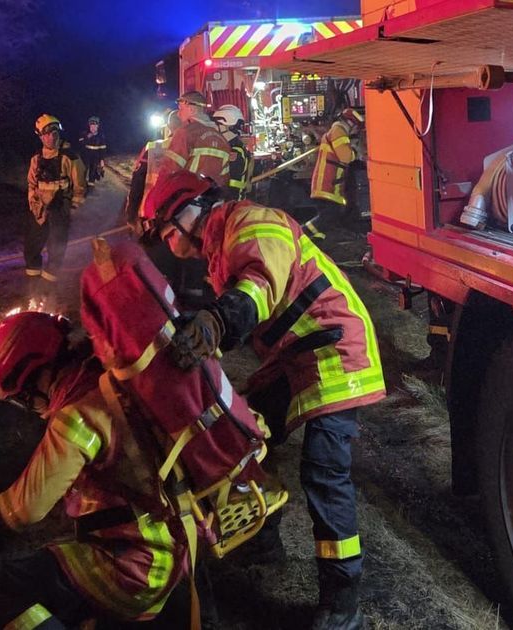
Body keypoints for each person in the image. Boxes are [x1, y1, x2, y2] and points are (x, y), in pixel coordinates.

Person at [143, 171, 387, 630]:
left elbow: (259, 285)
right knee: (245, 431)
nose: (167, 242)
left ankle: (342, 602)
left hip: (333, 348)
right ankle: (264, 539)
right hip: (296, 354)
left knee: (324, 471)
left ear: (188, 212)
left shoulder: (250, 223)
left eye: (166, 231)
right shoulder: (221, 244)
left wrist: (216, 323)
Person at [0, 312, 191, 629]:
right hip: (180, 548)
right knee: (57, 568)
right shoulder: (114, 382)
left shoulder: (78, 413)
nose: (30, 406)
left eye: (24, 396)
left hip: (135, 567)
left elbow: (24, 509)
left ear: (34, 375)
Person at [26, 114, 85, 284]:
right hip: (40, 211)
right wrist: (33, 205)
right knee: (31, 248)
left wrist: (73, 209)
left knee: (56, 249)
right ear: (40, 135)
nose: (52, 136)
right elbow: (31, 184)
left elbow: (79, 187)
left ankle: (48, 288)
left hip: (60, 209)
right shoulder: (36, 159)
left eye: (55, 132)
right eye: (47, 133)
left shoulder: (70, 157)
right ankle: (33, 287)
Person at [157, 91, 232, 188]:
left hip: (187, 197)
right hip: (212, 199)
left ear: (192, 110)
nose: (179, 114)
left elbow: (170, 169)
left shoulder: (186, 132)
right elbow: (224, 179)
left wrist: (158, 192)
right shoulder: (221, 139)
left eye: (181, 109)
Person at [123, 108, 182, 231]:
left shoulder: (152, 147)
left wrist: (131, 214)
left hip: (152, 211)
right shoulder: (192, 149)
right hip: (181, 215)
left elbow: (137, 182)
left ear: (169, 127)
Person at [310, 107, 364, 222]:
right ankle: (302, 233)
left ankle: (316, 238)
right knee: (328, 217)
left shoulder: (336, 130)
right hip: (327, 184)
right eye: (356, 128)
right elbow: (346, 157)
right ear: (350, 124)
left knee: (330, 217)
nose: (355, 131)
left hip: (328, 184)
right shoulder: (338, 131)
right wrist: (355, 149)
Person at [213, 104, 253, 200]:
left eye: (218, 125)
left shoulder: (234, 151)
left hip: (230, 204)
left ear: (228, 127)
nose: (215, 128)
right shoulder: (235, 146)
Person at [78, 116, 107, 185]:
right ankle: (81, 181)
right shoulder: (84, 133)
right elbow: (79, 144)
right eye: (92, 125)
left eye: (95, 125)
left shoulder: (101, 136)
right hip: (86, 155)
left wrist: (102, 160)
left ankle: (91, 182)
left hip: (96, 156)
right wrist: (87, 137)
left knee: (93, 168)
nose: (93, 127)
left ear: (98, 126)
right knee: (84, 168)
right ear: (89, 126)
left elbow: (103, 149)